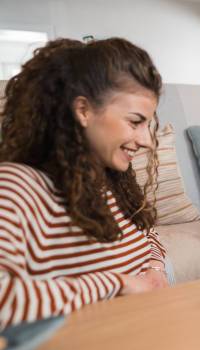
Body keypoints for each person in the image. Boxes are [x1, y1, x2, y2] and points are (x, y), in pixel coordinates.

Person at [0, 38, 168, 329]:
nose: (147, 141)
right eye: (135, 122)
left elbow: (147, 232)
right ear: (83, 111)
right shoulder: (17, 186)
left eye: (147, 125)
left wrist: (154, 268)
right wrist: (119, 284)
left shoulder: (112, 179)